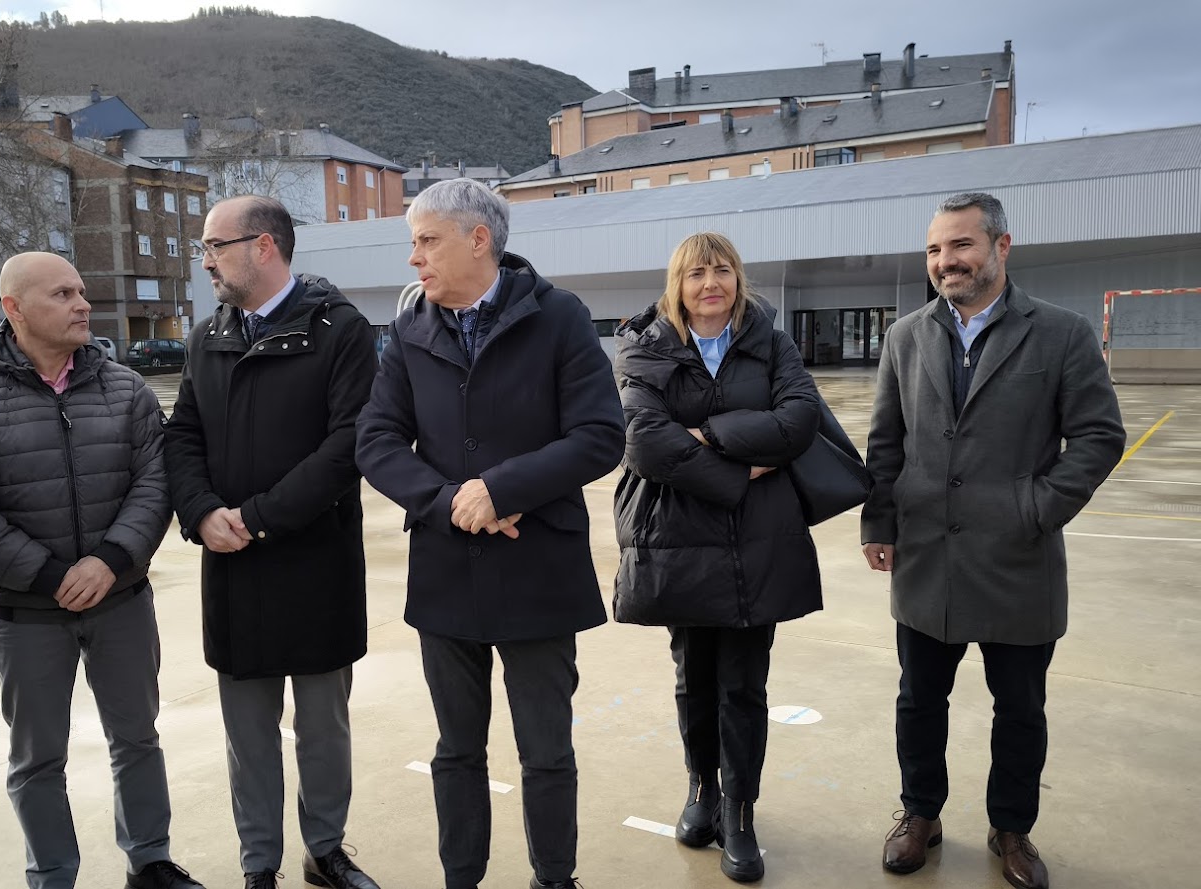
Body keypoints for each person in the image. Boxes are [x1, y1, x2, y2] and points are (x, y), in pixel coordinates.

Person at [355, 178, 625, 889]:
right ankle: (461, 879)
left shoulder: (560, 317)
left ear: (480, 240)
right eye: (411, 241)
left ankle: (554, 878)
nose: (413, 258)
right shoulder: (410, 326)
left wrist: (501, 489)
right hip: (447, 569)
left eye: (426, 240)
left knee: (545, 749)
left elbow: (601, 435)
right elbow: (377, 439)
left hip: (539, 568)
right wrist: (451, 500)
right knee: (456, 749)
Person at [861, 193, 1125, 889]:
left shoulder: (1062, 334)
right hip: (925, 559)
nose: (946, 262)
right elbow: (886, 441)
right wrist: (878, 521)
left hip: (1018, 559)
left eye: (960, 246)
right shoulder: (906, 336)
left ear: (1001, 246)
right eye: (934, 251)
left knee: (1021, 709)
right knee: (919, 701)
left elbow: (1099, 436)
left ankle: (1012, 827)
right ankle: (920, 813)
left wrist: (1035, 507)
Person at [0, 252, 202, 889]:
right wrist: (52, 576)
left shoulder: (125, 388)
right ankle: (52, 874)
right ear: (14, 308)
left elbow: (154, 483)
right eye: (63, 294)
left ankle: (150, 861)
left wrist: (111, 561)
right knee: (37, 759)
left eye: (82, 291)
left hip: (122, 599)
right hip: (26, 614)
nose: (83, 304)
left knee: (137, 737)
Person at [163, 196, 382, 889]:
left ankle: (326, 850)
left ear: (263, 247)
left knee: (323, 728)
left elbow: (349, 444)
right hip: (232, 569)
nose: (205, 262)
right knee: (247, 733)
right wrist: (200, 511)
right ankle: (260, 863)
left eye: (213, 247)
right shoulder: (207, 337)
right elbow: (183, 436)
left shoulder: (341, 331)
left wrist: (255, 517)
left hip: (315, 564)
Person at [612, 232, 822, 883]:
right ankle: (701, 787)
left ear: (739, 277)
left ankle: (739, 812)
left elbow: (801, 418)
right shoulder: (644, 345)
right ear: (677, 282)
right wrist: (737, 467)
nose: (711, 282)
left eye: (722, 269)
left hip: (756, 543)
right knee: (693, 678)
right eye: (697, 272)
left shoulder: (769, 340)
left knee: (743, 683)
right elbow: (644, 441)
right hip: (679, 542)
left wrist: (703, 435)